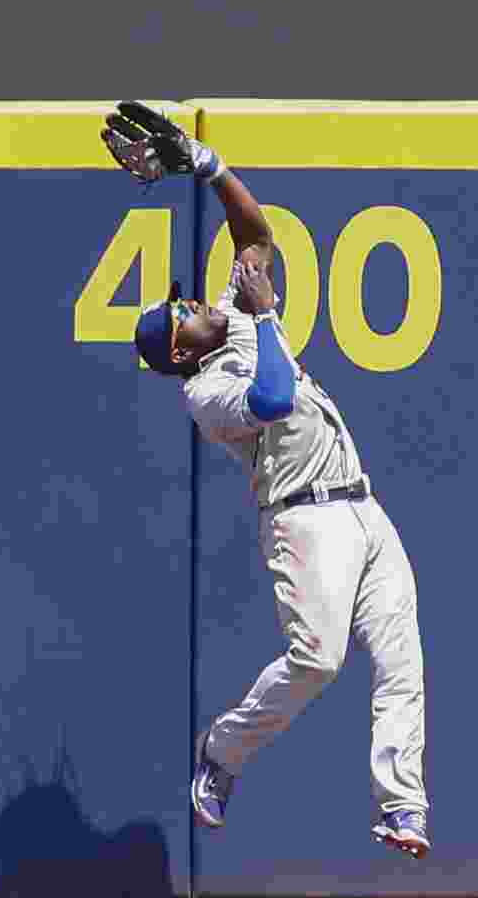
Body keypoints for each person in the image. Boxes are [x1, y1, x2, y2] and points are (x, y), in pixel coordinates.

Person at [101, 102, 430, 857]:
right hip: (304, 520)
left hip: (362, 506)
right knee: (318, 661)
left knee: (402, 658)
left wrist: (209, 167)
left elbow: (254, 237)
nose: (191, 303)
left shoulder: (233, 315)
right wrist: (270, 317)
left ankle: (402, 805)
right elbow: (274, 399)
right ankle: (221, 749)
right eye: (180, 313)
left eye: (184, 298)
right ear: (179, 352)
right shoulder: (205, 393)